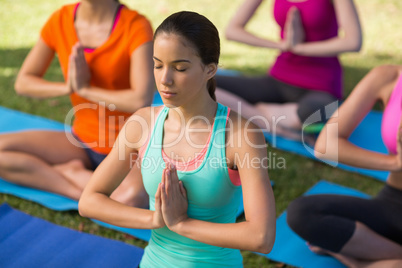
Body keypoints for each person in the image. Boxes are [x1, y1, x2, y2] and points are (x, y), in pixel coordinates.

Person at [79, 11, 276, 267]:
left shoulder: (241, 135)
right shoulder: (143, 123)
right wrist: (155, 219)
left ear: (210, 69)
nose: (165, 80)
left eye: (180, 68)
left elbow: (261, 237)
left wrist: (182, 223)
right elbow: (90, 201)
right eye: (158, 65)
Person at [0, 0, 154, 206]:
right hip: (80, 141)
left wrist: (85, 90)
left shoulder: (135, 26)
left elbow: (140, 99)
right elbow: (23, 82)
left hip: (130, 147)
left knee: (131, 198)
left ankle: (71, 178)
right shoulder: (61, 20)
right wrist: (67, 88)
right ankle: (76, 191)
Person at [286, 65, 402, 267]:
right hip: (394, 203)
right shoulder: (389, 77)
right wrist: (395, 162)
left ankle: (363, 262)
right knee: (303, 213)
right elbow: (326, 145)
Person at [215, 0, 362, 140]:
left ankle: (254, 112)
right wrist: (282, 46)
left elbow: (353, 41)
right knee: (204, 82)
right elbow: (232, 31)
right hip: (278, 79)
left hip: (321, 85)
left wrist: (299, 48)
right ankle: (261, 115)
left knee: (310, 116)